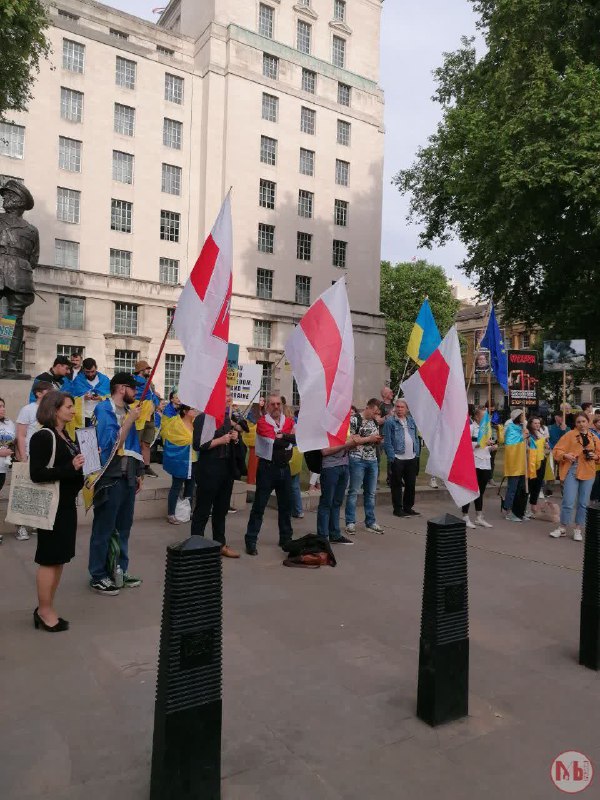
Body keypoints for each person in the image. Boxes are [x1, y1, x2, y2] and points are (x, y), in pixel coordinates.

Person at [29, 391, 85, 632]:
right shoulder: (44, 436)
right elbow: (37, 474)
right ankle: (43, 611)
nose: (73, 410)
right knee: (49, 559)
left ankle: (48, 606)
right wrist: (69, 467)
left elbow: (71, 469)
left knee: (59, 558)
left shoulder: (65, 435)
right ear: (54, 409)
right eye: (69, 406)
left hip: (65, 506)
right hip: (51, 507)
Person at [88, 373, 144, 595]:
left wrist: (138, 472)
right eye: (133, 388)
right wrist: (129, 422)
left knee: (123, 528)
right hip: (109, 479)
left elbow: (133, 446)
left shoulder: (129, 412)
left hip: (127, 478)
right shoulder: (104, 410)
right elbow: (109, 445)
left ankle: (119, 569)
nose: (136, 393)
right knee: (104, 528)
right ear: (122, 388)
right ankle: (98, 574)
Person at [192, 389, 246, 558]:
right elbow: (198, 444)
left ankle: (220, 544)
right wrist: (220, 441)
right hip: (209, 469)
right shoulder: (204, 418)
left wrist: (236, 438)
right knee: (203, 509)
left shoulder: (229, 421)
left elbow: (239, 448)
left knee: (221, 510)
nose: (229, 399)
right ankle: (196, 544)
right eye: (226, 396)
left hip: (226, 470)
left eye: (230, 396)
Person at [244, 393, 295, 556]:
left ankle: (286, 538)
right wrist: (287, 437)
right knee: (259, 506)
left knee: (286, 506)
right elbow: (275, 441)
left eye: (278, 404)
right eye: (272, 404)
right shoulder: (262, 422)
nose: (276, 407)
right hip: (267, 468)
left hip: (284, 468)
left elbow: (295, 438)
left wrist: (286, 436)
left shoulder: (288, 421)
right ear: (267, 406)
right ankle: (251, 540)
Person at [0, 180, 39, 376]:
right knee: (5, 320)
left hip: (19, 277)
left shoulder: (32, 230)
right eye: (5, 195)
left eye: (9, 195)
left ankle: (10, 362)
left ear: (19, 201)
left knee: (13, 320)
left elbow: (34, 259)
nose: (4, 198)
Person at [550, 413, 599, 541]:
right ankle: (562, 528)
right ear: (575, 424)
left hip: (588, 471)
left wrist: (596, 456)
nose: (581, 424)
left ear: (588, 422)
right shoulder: (569, 435)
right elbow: (556, 451)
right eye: (578, 422)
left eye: (583, 421)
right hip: (572, 469)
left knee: (583, 503)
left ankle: (578, 529)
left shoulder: (594, 437)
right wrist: (565, 455)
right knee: (568, 501)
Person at [15, 381, 53, 540]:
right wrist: (23, 457)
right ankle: (21, 526)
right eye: (48, 391)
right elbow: (21, 435)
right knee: (24, 491)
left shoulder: (51, 410)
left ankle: (38, 523)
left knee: (41, 491)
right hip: (30, 455)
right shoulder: (27, 410)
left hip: (47, 457)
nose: (50, 394)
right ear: (38, 393)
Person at [345, 398, 385, 534]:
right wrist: (369, 439)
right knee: (354, 491)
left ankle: (370, 521)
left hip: (372, 459)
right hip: (357, 459)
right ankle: (350, 522)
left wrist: (378, 440)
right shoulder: (355, 419)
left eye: (377, 413)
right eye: (374, 412)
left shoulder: (374, 421)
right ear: (368, 407)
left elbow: (373, 438)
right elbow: (351, 440)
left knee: (371, 493)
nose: (376, 415)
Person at [383, 398, 421, 517]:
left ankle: (408, 507)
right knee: (396, 484)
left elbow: (415, 437)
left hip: (411, 457)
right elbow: (387, 441)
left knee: (411, 484)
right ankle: (398, 509)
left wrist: (417, 452)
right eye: (397, 407)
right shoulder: (390, 422)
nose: (399, 409)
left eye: (402, 407)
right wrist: (391, 456)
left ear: (407, 409)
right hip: (398, 458)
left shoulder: (411, 421)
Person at [461, 407, 497, 529]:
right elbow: (465, 444)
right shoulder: (471, 428)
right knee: (470, 490)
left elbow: (488, 446)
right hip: (474, 462)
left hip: (485, 463)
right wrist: (479, 444)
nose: (487, 418)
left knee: (480, 491)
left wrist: (491, 447)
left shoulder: (487, 430)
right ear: (476, 417)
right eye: (484, 416)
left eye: (488, 416)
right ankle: (465, 516)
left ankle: (479, 517)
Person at [161, 405, 197, 525]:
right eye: (192, 409)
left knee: (190, 487)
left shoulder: (196, 423)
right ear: (185, 411)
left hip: (194, 459)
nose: (195, 411)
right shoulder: (176, 422)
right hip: (180, 460)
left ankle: (187, 511)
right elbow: (170, 438)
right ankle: (171, 513)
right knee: (176, 486)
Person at [132, 360, 160, 477]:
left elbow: (152, 396)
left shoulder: (149, 383)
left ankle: (146, 466)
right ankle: (134, 467)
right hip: (139, 417)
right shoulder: (135, 382)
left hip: (149, 416)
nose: (149, 370)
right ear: (141, 370)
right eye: (147, 369)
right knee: (136, 442)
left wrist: (155, 397)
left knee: (146, 443)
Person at [502, 409, 529, 522]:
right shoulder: (511, 428)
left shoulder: (523, 429)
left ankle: (519, 510)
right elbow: (510, 444)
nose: (524, 417)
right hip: (514, 463)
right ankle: (508, 511)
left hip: (523, 463)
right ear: (518, 417)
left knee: (521, 488)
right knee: (512, 488)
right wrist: (522, 436)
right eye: (523, 415)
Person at [68, 357, 111, 427]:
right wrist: (83, 397)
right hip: (84, 416)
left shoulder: (105, 380)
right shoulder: (78, 380)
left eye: (92, 371)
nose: (90, 374)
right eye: (87, 372)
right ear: (83, 369)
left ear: (96, 368)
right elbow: (71, 398)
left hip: (100, 414)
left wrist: (101, 398)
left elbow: (111, 397)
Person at [0, 398, 16, 546]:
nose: (2, 409)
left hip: (3, 467)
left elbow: (13, 441)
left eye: (3, 406)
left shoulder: (9, 423)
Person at [527, 416, 550, 516]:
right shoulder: (528, 434)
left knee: (538, 483)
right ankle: (528, 506)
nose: (537, 425)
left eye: (538, 423)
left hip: (542, 459)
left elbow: (546, 445)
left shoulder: (541, 433)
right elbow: (528, 447)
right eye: (535, 423)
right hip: (532, 461)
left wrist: (546, 445)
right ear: (530, 424)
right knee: (531, 483)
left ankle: (534, 505)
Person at [590, 414, 600, 502]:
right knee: (595, 480)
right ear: (595, 423)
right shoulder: (591, 433)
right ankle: (594, 498)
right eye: (599, 422)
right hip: (594, 460)